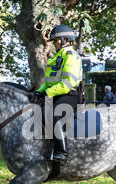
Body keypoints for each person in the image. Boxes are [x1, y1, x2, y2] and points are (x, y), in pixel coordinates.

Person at [33, 24, 83, 165]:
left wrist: (47, 92)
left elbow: (68, 82)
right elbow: (49, 81)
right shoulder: (56, 57)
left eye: (55, 41)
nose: (54, 44)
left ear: (64, 40)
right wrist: (40, 90)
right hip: (56, 93)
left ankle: (62, 152)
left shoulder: (71, 55)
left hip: (70, 94)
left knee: (53, 115)